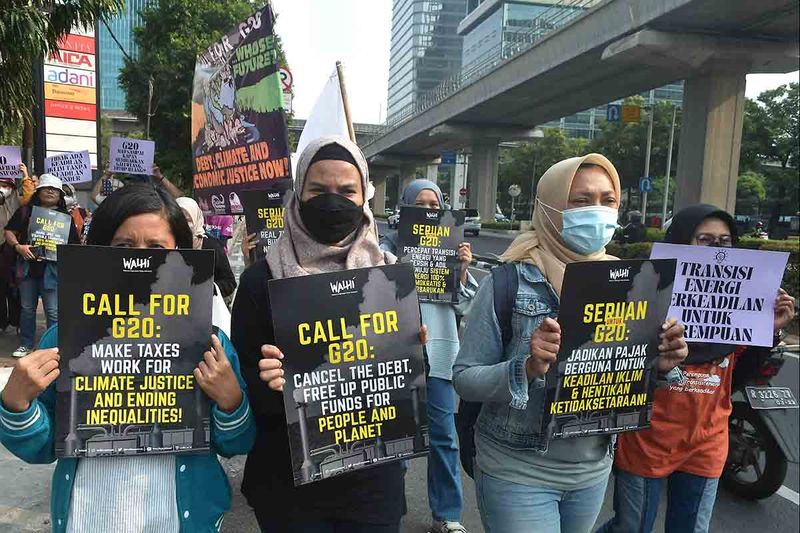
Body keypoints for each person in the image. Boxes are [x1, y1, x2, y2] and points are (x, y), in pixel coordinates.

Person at [452, 154, 689, 533]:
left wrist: (662, 364)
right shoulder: (507, 282)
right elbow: (465, 378)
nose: (597, 211)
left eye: (607, 201)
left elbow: (628, 376)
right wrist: (526, 367)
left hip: (593, 470)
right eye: (580, 201)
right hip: (518, 466)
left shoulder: (632, 283)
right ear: (549, 207)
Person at [0, 183, 255, 532]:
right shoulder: (63, 340)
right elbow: (42, 446)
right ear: (99, 250)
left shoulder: (210, 345)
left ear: (181, 255)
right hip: (87, 520)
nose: (141, 258)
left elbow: (237, 443)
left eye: (156, 247)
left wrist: (232, 402)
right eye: (124, 246)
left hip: (180, 521)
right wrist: (17, 404)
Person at [232, 136, 414, 532]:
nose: (333, 202)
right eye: (318, 190)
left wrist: (412, 350)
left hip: (371, 484)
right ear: (298, 193)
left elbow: (405, 388)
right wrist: (272, 384)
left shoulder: (390, 275)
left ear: (364, 195)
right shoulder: (259, 280)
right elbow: (245, 393)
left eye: (347, 191)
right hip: (289, 488)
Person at [599, 204, 796, 533]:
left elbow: (739, 378)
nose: (717, 250)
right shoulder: (644, 297)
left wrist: (769, 331)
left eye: (725, 241)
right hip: (647, 440)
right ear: (679, 243)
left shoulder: (739, 309)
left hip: (707, 443)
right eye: (705, 240)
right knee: (631, 529)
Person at [379, 179, 476, 533]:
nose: (428, 211)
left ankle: (447, 514)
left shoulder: (450, 248)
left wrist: (460, 272)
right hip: (397, 355)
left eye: (434, 205)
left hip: (438, 353)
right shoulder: (384, 249)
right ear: (404, 208)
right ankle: (390, 508)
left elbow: (467, 306)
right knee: (397, 436)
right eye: (419, 204)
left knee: (444, 436)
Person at [4, 174, 80, 357]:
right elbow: (8, 232)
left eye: (54, 189)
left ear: (60, 195)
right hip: (28, 269)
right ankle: (26, 344)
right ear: (38, 191)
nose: (50, 191)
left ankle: (53, 347)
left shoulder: (66, 218)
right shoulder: (24, 212)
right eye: (46, 188)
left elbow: (74, 247)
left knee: (53, 311)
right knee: (27, 309)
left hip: (53, 272)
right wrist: (18, 247)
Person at [176, 197, 237, 300]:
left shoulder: (211, 246)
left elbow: (230, 283)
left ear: (196, 218)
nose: (184, 225)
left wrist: (208, 288)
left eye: (188, 220)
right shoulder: (167, 243)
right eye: (179, 220)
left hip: (204, 308)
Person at [0, 176, 21, 335]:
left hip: (12, 250)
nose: (4, 188)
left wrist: (25, 175)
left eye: (7, 185)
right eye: (1, 185)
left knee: (14, 287)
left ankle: (16, 320)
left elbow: (28, 196)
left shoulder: (17, 203)